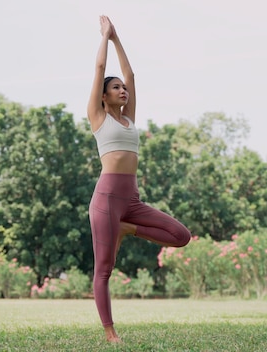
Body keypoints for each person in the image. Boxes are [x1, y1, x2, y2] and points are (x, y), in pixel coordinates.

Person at [87, 15, 192, 343]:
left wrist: (119, 38)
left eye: (124, 89)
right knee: (104, 269)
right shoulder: (98, 117)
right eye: (116, 88)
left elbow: (130, 74)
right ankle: (109, 331)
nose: (123, 91)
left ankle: (128, 229)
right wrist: (105, 37)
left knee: (181, 235)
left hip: (131, 201)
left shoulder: (130, 121)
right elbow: (99, 69)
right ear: (104, 96)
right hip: (106, 199)